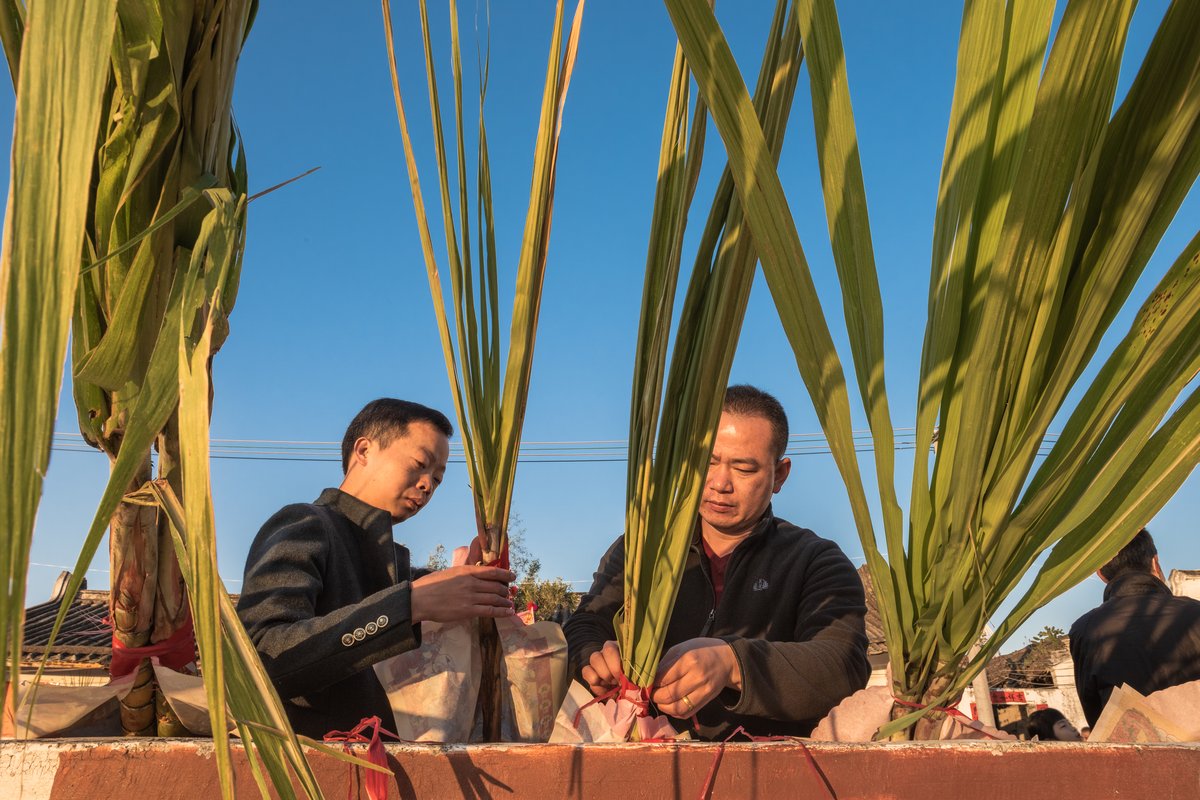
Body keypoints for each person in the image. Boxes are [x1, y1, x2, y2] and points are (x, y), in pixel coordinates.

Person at [564, 385, 870, 740]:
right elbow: (585, 624)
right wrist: (592, 657)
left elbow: (842, 665)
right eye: (707, 462)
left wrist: (732, 664)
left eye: (744, 469)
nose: (720, 483)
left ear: (779, 475)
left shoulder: (816, 560)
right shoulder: (643, 551)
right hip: (647, 761)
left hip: (772, 773)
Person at [236, 398, 515, 737]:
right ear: (364, 450)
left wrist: (472, 584)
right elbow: (263, 657)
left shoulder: (394, 567)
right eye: (419, 464)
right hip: (312, 769)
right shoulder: (306, 523)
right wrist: (412, 605)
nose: (427, 485)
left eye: (438, 479)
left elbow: (410, 593)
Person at [1069, 528, 1200, 727]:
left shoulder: (1084, 630)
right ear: (1155, 562)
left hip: (1139, 753)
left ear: (1101, 574)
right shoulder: (1194, 612)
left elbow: (1097, 719)